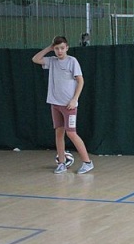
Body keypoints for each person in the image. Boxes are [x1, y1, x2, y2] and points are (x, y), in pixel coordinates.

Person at [32, 36, 94, 174]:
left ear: (67, 48)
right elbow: (35, 59)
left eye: (62, 48)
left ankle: (87, 162)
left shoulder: (72, 61)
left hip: (69, 105)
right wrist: (49, 48)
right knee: (59, 133)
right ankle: (61, 163)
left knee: (71, 133)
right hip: (55, 104)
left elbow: (81, 81)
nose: (59, 51)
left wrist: (74, 99)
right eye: (56, 48)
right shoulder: (52, 61)